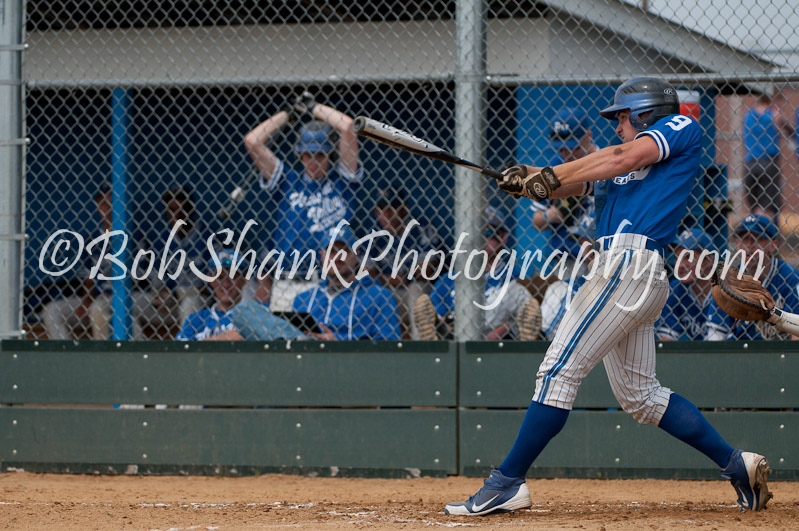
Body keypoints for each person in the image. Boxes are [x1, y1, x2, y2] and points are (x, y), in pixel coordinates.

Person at [445, 78, 771, 516]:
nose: (618, 126)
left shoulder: (679, 128)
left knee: (557, 372)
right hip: (628, 274)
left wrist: (552, 175)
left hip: (628, 266)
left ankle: (506, 482)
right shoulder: (618, 170)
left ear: (646, 112)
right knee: (641, 395)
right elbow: (575, 184)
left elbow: (622, 155)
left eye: (622, 117)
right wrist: (525, 182)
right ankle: (736, 465)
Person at [244, 90, 362, 311]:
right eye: (308, 154)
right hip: (286, 280)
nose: (314, 161)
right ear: (300, 155)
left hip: (326, 282)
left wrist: (313, 108)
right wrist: (288, 114)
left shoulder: (343, 183)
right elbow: (253, 141)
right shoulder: (288, 181)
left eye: (321, 155)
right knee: (284, 341)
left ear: (330, 156)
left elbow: (347, 127)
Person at [41, 182, 153, 340]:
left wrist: (112, 294)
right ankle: (65, 355)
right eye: (103, 204)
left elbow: (139, 278)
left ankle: (101, 353)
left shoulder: (135, 239)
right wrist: (86, 300)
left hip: (129, 296)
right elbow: (89, 279)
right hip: (99, 299)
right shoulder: (91, 241)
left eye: (112, 203)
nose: (108, 209)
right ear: (97, 207)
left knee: (105, 308)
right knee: (52, 310)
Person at [413, 207, 541, 341]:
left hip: (496, 344)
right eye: (478, 232)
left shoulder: (514, 279)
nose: (484, 239)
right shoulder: (449, 279)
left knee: (516, 293)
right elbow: (434, 314)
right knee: (434, 313)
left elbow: (522, 316)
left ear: (504, 238)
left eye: (491, 232)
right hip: (453, 341)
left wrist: (495, 333)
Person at [292, 225, 401, 341]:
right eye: (331, 251)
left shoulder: (379, 297)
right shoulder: (303, 300)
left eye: (344, 251)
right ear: (322, 255)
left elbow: (389, 348)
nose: (337, 258)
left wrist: (339, 344)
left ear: (356, 256)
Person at [366, 185, 447, 339]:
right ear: (376, 212)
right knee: (372, 295)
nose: (387, 214)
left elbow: (426, 272)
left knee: (417, 290)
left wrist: (396, 279)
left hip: (420, 292)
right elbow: (366, 273)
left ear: (404, 209)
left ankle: (421, 345)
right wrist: (389, 280)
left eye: (393, 208)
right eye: (382, 209)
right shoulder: (373, 234)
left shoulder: (422, 228)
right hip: (390, 292)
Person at [706, 214, 799, 341]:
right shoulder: (728, 282)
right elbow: (715, 336)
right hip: (738, 353)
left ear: (773, 245)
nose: (749, 245)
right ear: (738, 244)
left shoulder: (789, 277)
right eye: (744, 239)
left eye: (757, 239)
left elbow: (796, 335)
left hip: (779, 352)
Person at [531, 108, 602, 269]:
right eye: (561, 148)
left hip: (600, 255)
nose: (566, 153)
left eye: (573, 147)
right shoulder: (556, 165)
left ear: (588, 136)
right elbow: (537, 221)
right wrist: (554, 214)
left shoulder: (605, 162)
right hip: (566, 258)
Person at [149, 185, 212, 337]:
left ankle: (187, 351)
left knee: (189, 303)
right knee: (131, 303)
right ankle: (134, 353)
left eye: (182, 208)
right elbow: (157, 279)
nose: (177, 214)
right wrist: (162, 292)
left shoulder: (207, 238)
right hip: (170, 299)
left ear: (191, 210)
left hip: (197, 298)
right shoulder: (161, 242)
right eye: (171, 209)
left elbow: (214, 280)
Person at [655, 228, 715, 342]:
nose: (680, 265)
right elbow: (666, 341)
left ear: (709, 259)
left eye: (688, 257)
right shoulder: (675, 291)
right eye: (677, 258)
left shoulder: (726, 290)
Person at [742, 93, 790, 220]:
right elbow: (787, 128)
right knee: (766, 207)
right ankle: (764, 233)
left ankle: (755, 230)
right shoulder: (772, 114)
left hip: (750, 163)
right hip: (768, 163)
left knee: (755, 205)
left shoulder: (748, 114)